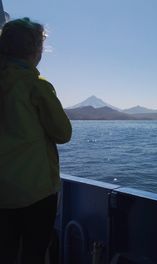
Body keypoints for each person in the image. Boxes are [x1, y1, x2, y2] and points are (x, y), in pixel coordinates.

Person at [0, 18, 72, 263]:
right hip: (35, 193)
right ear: (36, 51)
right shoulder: (36, 85)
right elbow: (63, 133)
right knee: (33, 254)